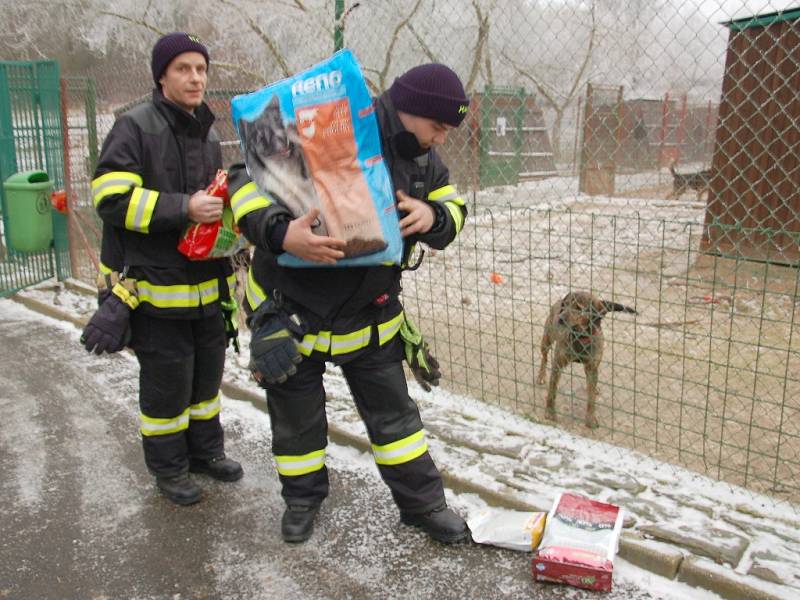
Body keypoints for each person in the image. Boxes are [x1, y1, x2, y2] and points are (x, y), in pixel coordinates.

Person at [227, 63, 471, 543]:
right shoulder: (327, 118)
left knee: (397, 424)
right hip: (293, 309)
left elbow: (455, 208)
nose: (441, 138)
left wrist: (434, 214)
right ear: (407, 110)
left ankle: (424, 507)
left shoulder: (422, 158)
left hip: (370, 316)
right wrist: (281, 233)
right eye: (438, 126)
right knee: (297, 425)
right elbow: (243, 179)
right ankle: (301, 503)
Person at [87, 32, 243, 505]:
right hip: (154, 288)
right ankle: (169, 468)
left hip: (204, 286)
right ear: (162, 76)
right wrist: (182, 208)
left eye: (201, 69)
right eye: (183, 69)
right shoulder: (134, 127)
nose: (195, 77)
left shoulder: (210, 133)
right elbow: (109, 198)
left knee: (205, 380)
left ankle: (205, 453)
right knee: (166, 386)